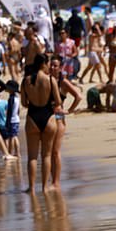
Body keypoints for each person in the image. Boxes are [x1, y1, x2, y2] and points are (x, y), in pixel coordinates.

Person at [20, 53, 62, 194]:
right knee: (46, 155)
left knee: (32, 156)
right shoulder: (50, 80)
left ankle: (31, 188)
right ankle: (44, 188)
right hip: (48, 117)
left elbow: (24, 103)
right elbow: (58, 102)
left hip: (32, 117)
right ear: (44, 64)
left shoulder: (26, 81)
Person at [49, 55, 81, 189]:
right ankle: (52, 181)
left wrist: (69, 110)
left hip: (58, 118)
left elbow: (78, 96)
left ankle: (56, 182)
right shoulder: (46, 80)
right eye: (51, 65)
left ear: (61, 67)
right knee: (49, 152)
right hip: (47, 117)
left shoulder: (63, 82)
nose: (52, 67)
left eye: (55, 65)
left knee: (55, 152)